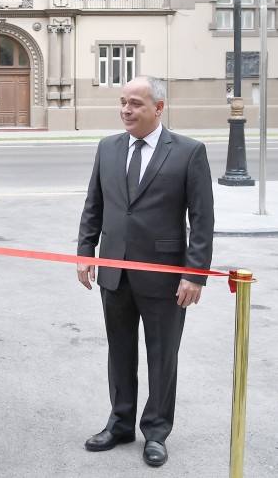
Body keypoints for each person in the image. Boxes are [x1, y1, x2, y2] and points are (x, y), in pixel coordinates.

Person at [77, 75, 214, 468]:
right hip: (114, 272)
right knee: (119, 353)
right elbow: (94, 206)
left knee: (161, 356)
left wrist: (194, 274)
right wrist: (86, 252)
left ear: (158, 108)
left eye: (135, 103)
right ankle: (120, 424)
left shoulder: (188, 152)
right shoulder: (107, 148)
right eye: (122, 102)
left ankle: (156, 431)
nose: (126, 110)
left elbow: (202, 220)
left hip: (166, 277)